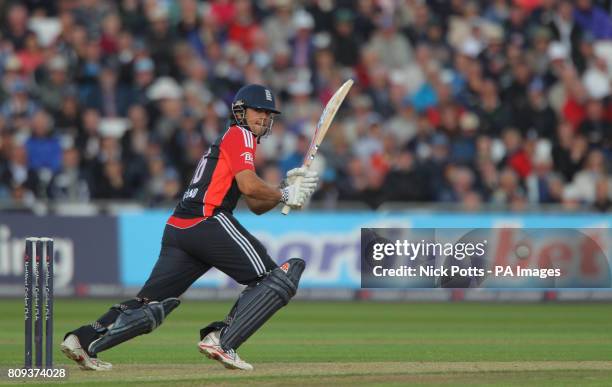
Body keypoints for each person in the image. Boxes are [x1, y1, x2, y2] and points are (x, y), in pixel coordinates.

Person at [60, 84, 319, 371]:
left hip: (179, 228)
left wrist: (283, 188)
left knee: (150, 304)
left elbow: (256, 205)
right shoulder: (240, 134)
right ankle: (222, 339)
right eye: (258, 110)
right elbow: (249, 186)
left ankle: (82, 340)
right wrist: (284, 195)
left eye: (268, 113)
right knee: (275, 279)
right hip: (207, 219)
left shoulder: (236, 140)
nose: (264, 117)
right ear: (240, 111)